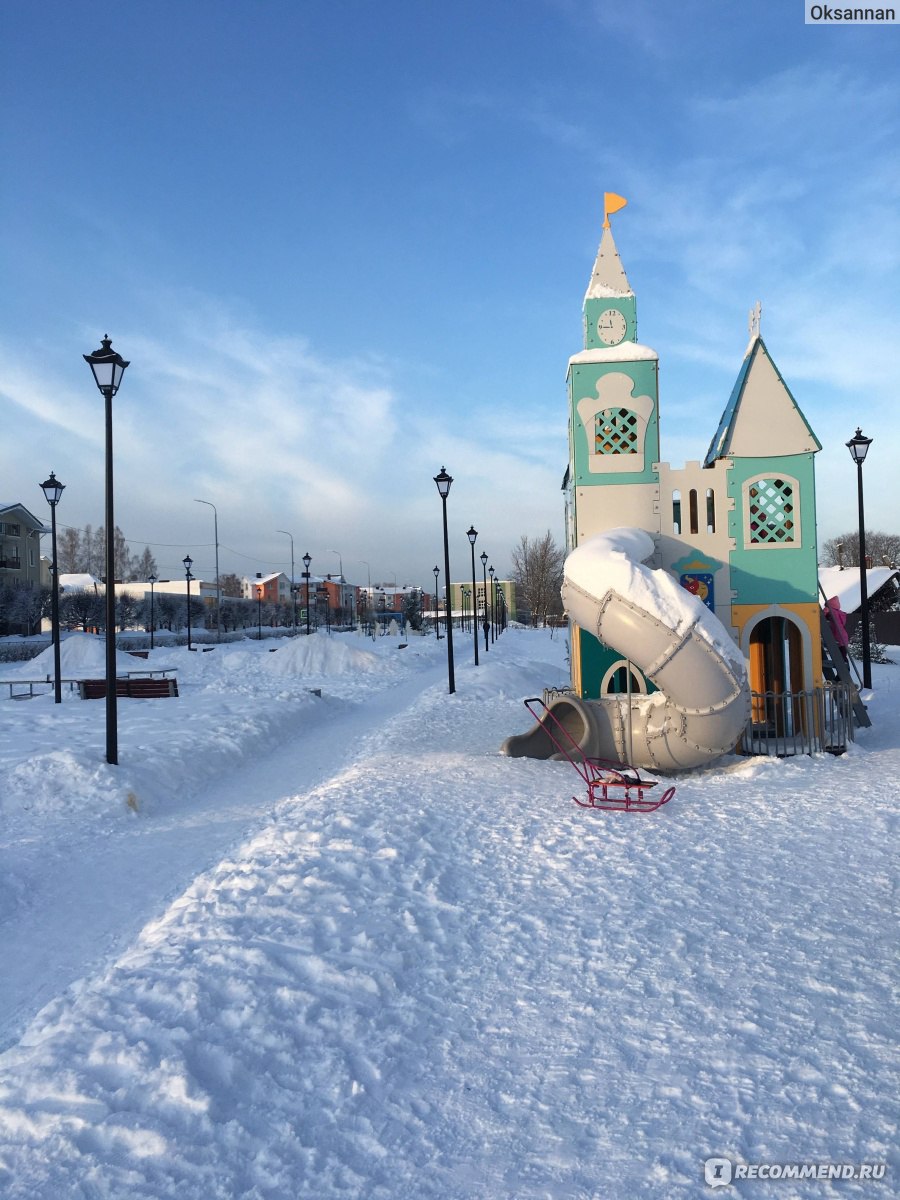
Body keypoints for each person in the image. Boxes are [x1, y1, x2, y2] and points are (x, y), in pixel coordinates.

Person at [824, 595, 849, 661]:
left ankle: (845, 669)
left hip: (838, 636)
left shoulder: (830, 610)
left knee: (840, 657)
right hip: (843, 636)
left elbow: (822, 614)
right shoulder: (840, 612)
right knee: (843, 655)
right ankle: (846, 669)